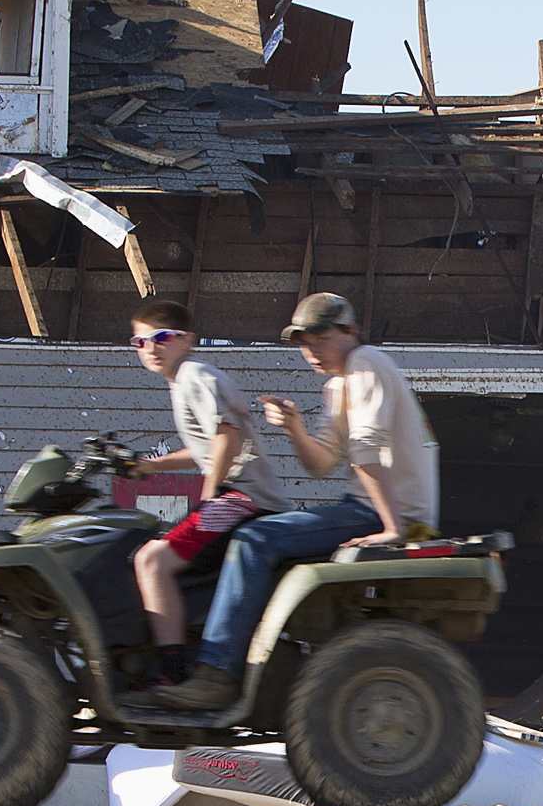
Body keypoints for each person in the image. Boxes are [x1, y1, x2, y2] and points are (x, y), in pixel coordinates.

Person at [148, 291, 438, 713]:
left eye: (319, 337)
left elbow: (366, 447)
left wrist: (391, 528)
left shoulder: (367, 363)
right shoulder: (339, 384)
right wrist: (294, 428)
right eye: (303, 341)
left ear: (349, 330)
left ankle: (216, 674)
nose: (310, 350)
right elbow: (320, 463)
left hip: (383, 511)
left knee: (253, 540)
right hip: (368, 507)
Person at [122, 299, 286, 686]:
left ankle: (173, 673)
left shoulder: (195, 375)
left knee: (151, 561)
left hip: (242, 498)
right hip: (236, 495)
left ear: (187, 340)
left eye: (162, 337)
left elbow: (226, 435)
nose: (152, 348)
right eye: (140, 341)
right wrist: (148, 466)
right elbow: (204, 447)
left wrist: (209, 495)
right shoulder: (185, 381)